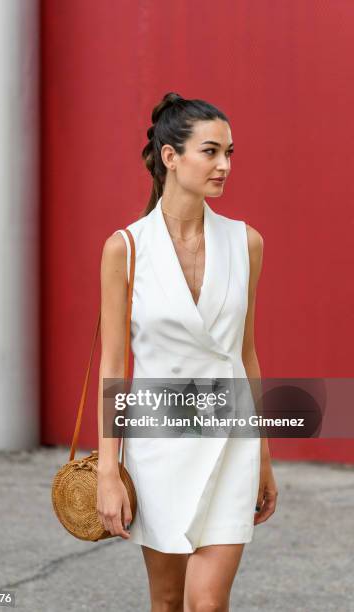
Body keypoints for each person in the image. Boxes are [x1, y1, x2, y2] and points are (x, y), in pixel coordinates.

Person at [96, 92, 278, 611]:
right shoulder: (126, 248)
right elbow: (114, 368)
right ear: (171, 157)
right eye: (211, 151)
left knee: (207, 602)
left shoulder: (247, 243)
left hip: (229, 444)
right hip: (159, 448)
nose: (224, 165)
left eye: (230, 153)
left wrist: (263, 454)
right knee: (169, 600)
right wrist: (109, 471)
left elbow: (247, 356)